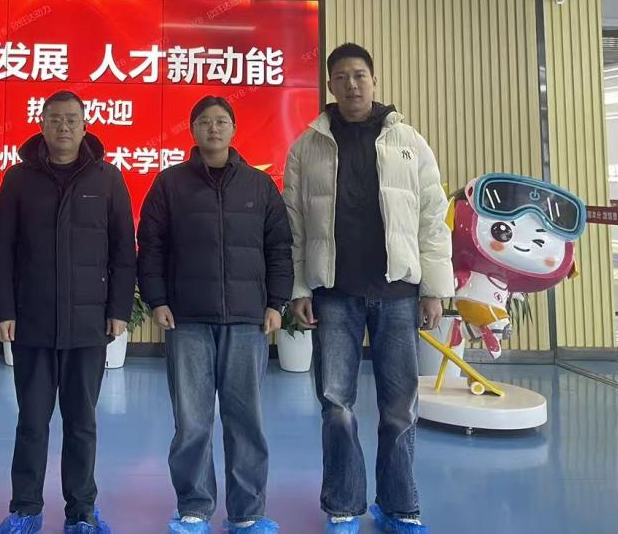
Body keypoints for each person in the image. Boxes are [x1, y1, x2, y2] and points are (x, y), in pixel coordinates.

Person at [282, 44, 451, 534]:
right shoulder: (307, 146)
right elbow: (294, 226)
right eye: (341, 77)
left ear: (373, 80)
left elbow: (432, 218)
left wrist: (434, 289)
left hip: (398, 293)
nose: (352, 85)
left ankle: (398, 506)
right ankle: (343, 504)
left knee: (399, 408)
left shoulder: (407, 140)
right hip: (334, 294)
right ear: (330, 86)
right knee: (336, 405)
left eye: (359, 75)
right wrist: (299, 287)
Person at [137, 96, 290, 534]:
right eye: (205, 121)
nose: (214, 128)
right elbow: (151, 246)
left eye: (222, 121)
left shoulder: (260, 186)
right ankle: (194, 507)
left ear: (234, 129)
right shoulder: (170, 184)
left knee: (246, 422)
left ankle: (247, 512)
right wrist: (157, 300)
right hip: (187, 319)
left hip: (246, 320)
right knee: (192, 422)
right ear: (193, 130)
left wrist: (276, 302)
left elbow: (279, 248)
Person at [0, 90, 137, 534]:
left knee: (81, 423)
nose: (64, 126)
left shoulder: (107, 178)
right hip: (31, 321)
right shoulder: (19, 178)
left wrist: (119, 309)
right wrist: (4, 308)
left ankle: (82, 512)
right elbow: (1, 249)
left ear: (86, 125)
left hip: (88, 324)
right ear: (41, 124)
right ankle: (25, 510)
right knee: (32, 422)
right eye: (55, 119)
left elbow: (122, 251)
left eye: (72, 119)